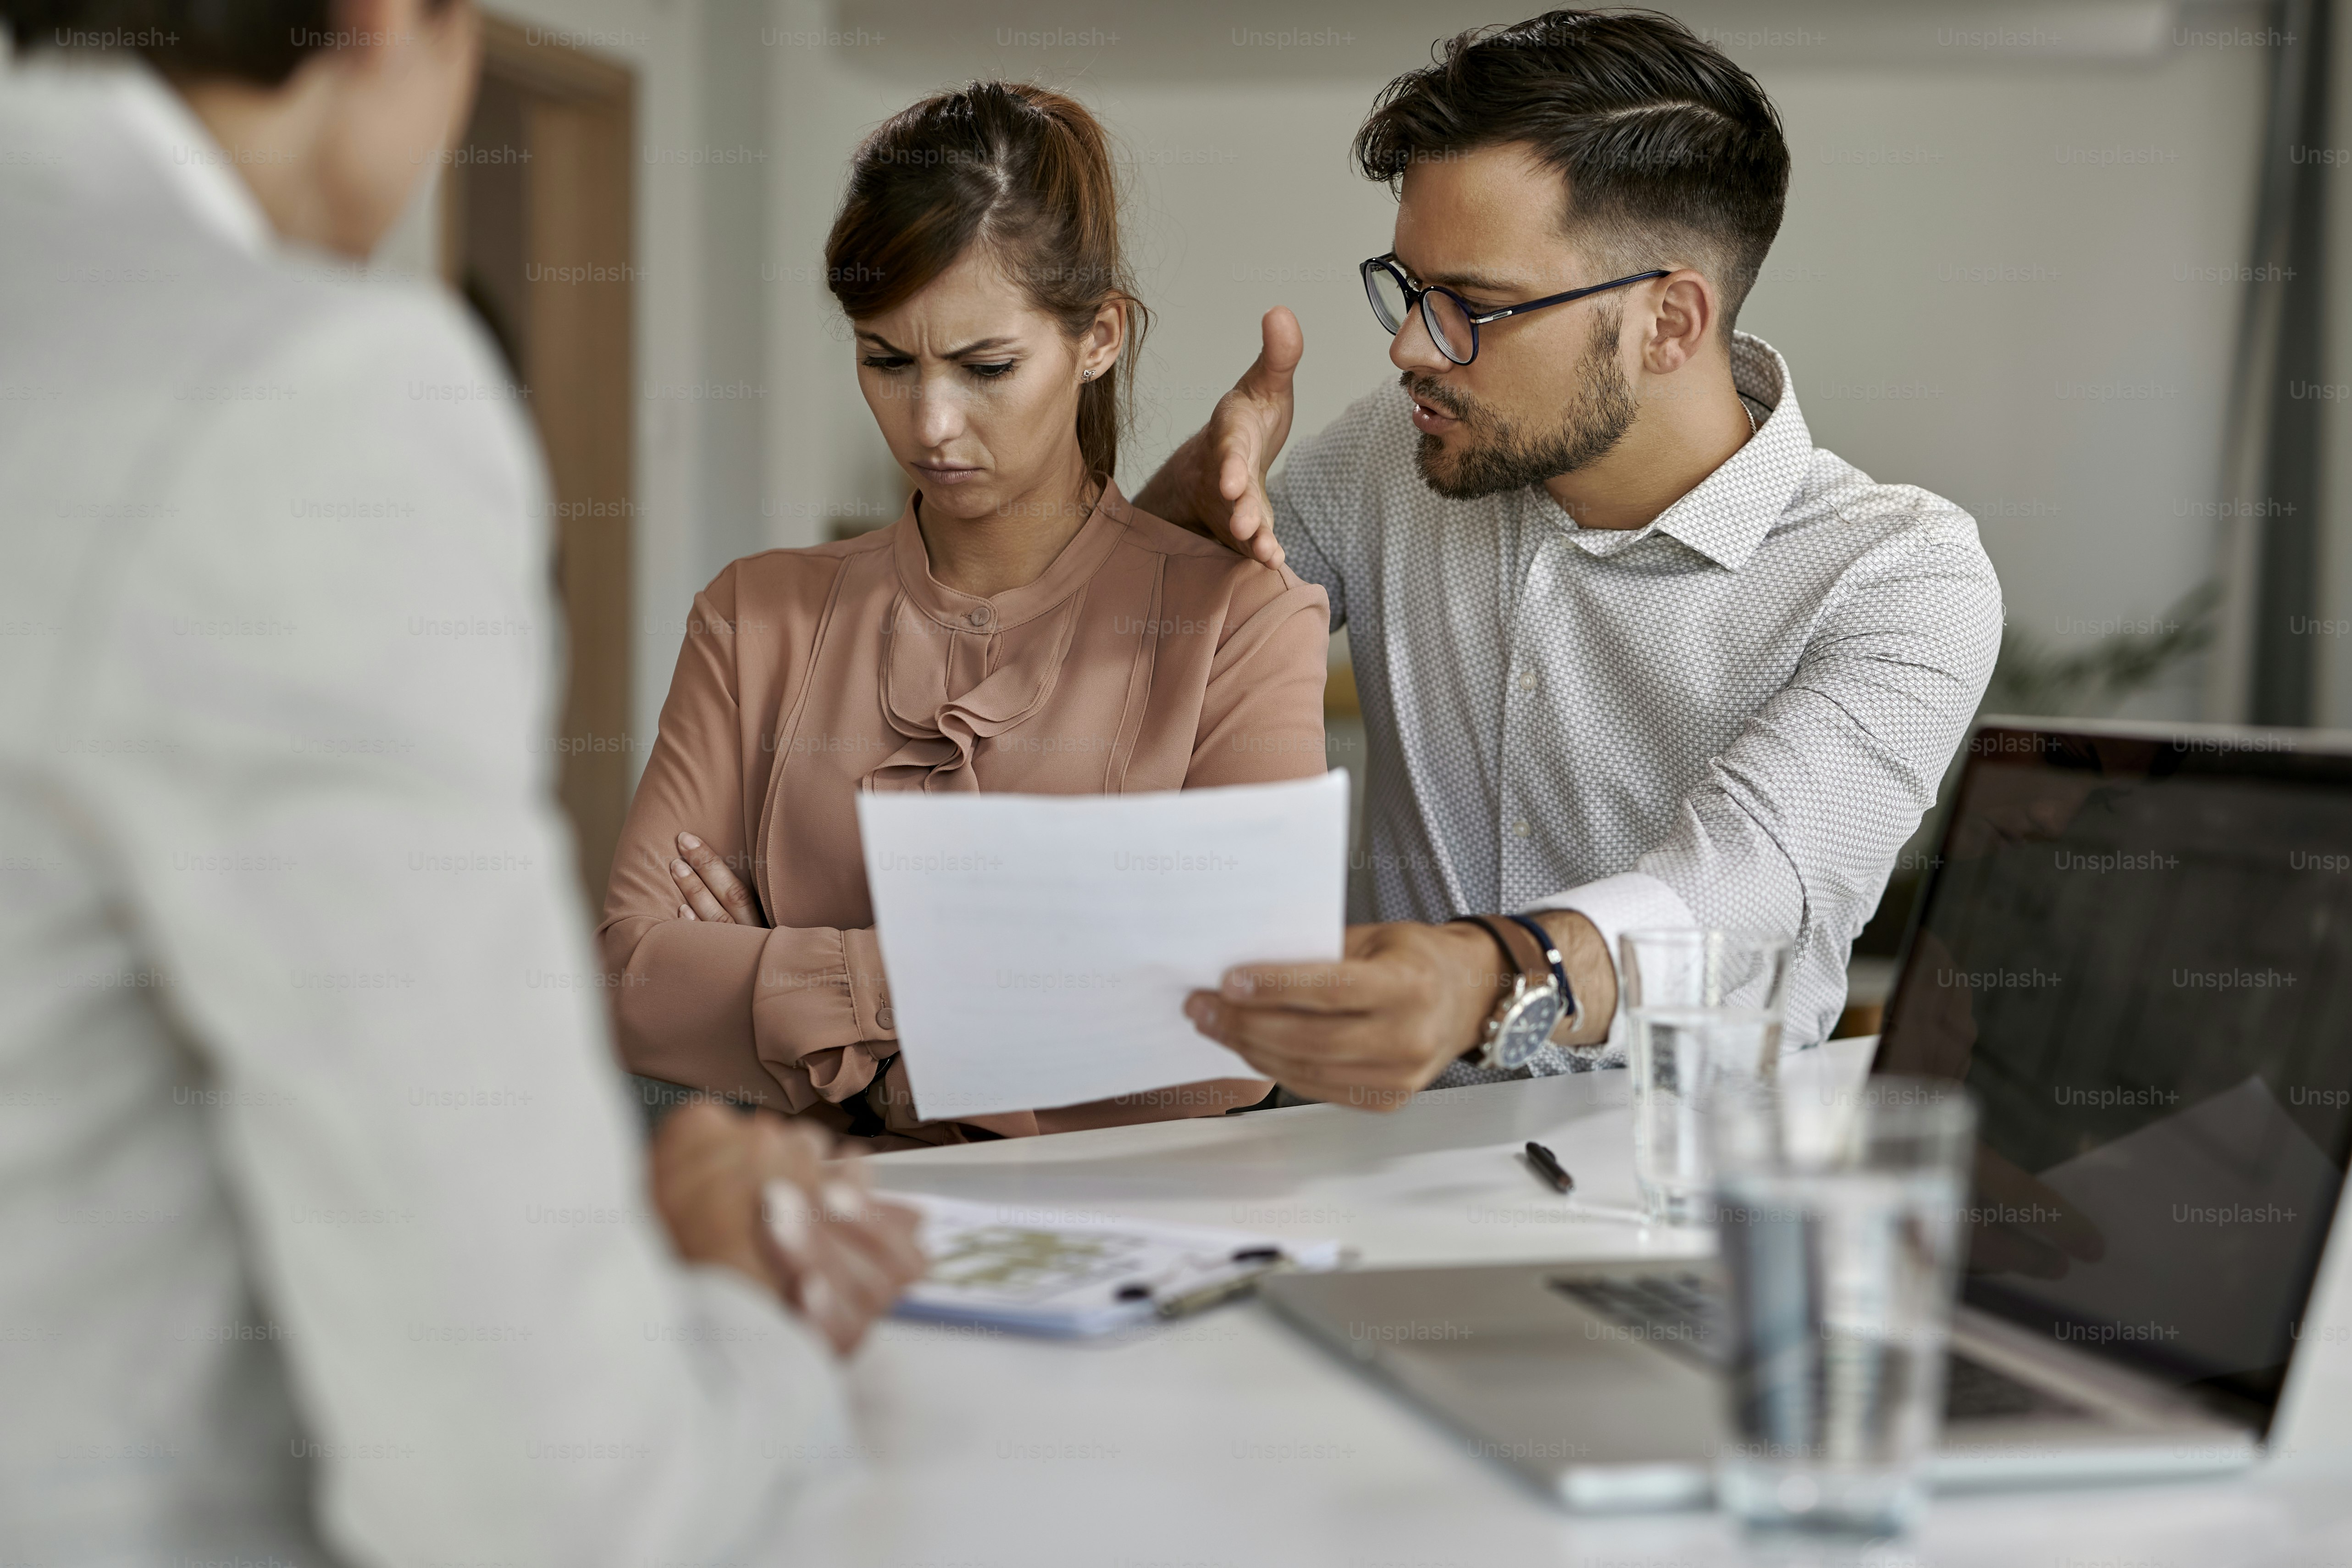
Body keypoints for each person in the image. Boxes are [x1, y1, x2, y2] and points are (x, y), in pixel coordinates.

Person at [0, 4, 922, 1564]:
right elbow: (542, 1500)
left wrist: (772, 969)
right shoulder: (308, 394)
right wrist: (729, 1306)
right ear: (384, 24)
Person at [1154, 9, 2004, 1106]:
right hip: (1365, 1163)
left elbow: (1742, 882)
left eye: (1476, 306)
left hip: (1683, 1185)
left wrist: (1484, 978)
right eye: (1410, 291)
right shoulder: (1400, 444)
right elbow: (1145, 672)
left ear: (1670, 323)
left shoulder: (1901, 578)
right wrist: (1183, 507)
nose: (1412, 347)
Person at [602, 83, 1330, 1147]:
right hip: (812, 1243)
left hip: (1127, 1247)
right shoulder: (753, 617)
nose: (930, 423)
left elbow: (1229, 1050)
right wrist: (1027, 983)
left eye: (987, 368)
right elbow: (632, 980)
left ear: (1099, 338)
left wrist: (790, 987)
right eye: (885, 361)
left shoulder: (1240, 624)